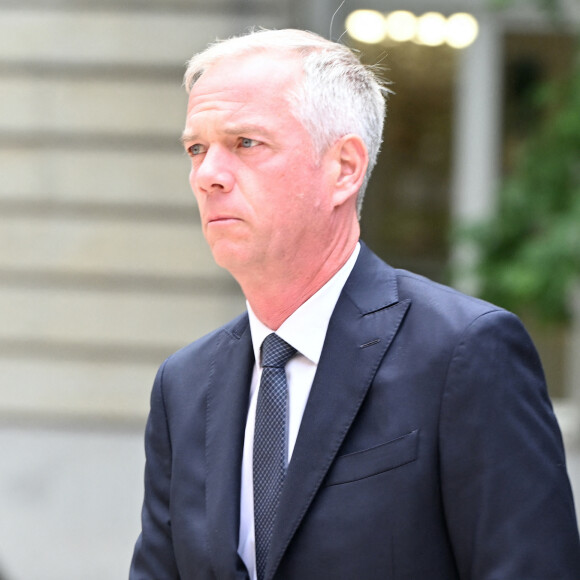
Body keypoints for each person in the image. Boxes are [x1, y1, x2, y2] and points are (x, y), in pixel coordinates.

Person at [130, 28, 580, 579]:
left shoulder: (465, 353)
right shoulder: (184, 383)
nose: (207, 176)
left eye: (246, 143)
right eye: (196, 148)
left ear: (344, 168)